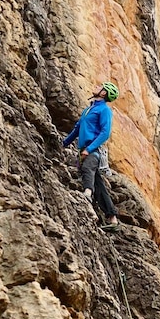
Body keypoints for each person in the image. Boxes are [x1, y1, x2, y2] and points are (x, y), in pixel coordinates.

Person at [63, 82, 120, 229]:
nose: (97, 86)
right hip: (84, 149)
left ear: (103, 93)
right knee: (99, 184)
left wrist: (89, 149)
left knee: (87, 169)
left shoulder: (104, 110)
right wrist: (64, 143)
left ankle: (87, 194)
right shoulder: (89, 109)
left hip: (92, 151)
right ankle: (112, 219)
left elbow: (105, 132)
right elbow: (77, 128)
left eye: (101, 86)